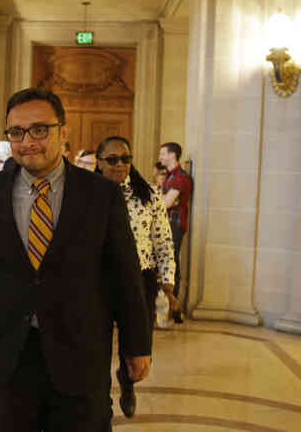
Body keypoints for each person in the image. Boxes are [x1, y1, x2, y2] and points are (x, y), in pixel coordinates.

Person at [0, 88, 151, 432]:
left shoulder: (100, 195)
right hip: (9, 354)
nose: (27, 141)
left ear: (63, 133)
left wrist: (136, 344)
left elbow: (125, 273)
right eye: (16, 132)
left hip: (79, 352)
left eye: (39, 130)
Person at [95, 136, 176, 418]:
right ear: (99, 162)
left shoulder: (149, 194)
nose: (120, 165)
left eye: (126, 159)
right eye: (112, 159)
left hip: (139, 279)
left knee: (138, 343)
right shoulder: (87, 195)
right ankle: (98, 396)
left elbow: (163, 242)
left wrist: (168, 284)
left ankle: (127, 382)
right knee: (95, 342)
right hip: (98, 281)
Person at [158, 142, 192, 324]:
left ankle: (174, 309)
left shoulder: (180, 178)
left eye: (162, 154)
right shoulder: (170, 176)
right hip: (168, 223)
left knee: (172, 265)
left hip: (175, 225)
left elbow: (167, 202)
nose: (160, 157)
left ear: (173, 155)